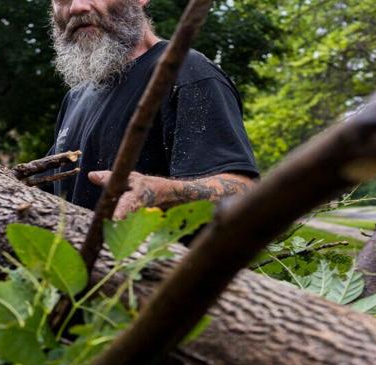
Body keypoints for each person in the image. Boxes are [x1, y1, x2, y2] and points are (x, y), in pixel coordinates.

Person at [45, 0, 258, 219]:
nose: (77, 7)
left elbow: (242, 189)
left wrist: (159, 191)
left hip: (166, 253)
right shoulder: (76, 97)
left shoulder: (186, 73)